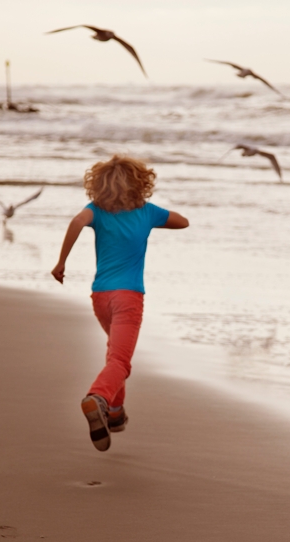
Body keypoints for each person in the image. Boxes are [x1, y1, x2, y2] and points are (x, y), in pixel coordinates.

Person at [51, 155, 189, 451]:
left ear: (98, 185)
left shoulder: (95, 212)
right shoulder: (148, 212)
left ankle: (114, 413)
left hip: (100, 297)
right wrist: (150, 219)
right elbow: (183, 222)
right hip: (128, 298)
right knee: (120, 361)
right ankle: (98, 398)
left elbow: (77, 221)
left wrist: (62, 262)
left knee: (115, 352)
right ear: (141, 184)